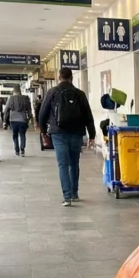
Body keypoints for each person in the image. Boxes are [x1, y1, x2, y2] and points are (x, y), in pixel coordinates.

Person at [38, 68, 95, 207]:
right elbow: (88, 115)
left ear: (59, 77)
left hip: (58, 133)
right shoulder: (80, 94)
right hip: (77, 133)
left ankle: (67, 197)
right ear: (72, 78)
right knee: (74, 164)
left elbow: (42, 113)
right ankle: (75, 193)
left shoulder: (52, 92)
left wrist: (43, 130)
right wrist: (91, 134)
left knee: (63, 164)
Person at [5, 87, 32, 157]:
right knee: (22, 134)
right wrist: (29, 117)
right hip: (23, 120)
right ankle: (22, 149)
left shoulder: (10, 98)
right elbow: (29, 109)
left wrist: (5, 120)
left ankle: (17, 150)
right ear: (20, 91)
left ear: (13, 91)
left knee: (15, 135)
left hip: (13, 120)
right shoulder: (25, 98)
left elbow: (6, 110)